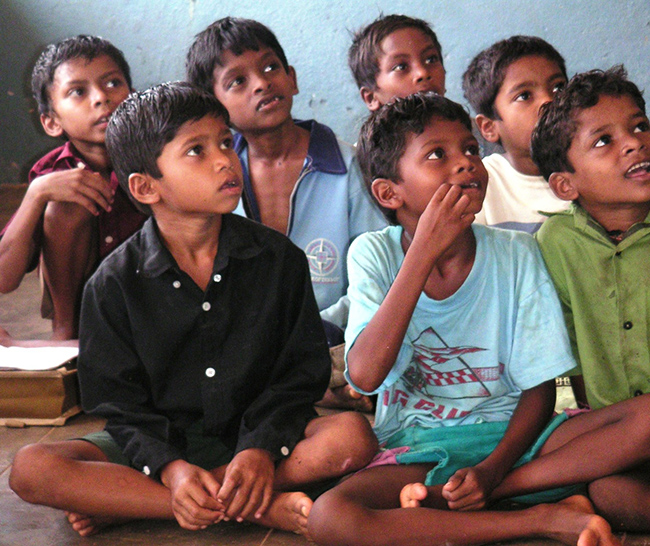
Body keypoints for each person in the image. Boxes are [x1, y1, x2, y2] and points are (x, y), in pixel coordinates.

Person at [306, 92, 650, 546]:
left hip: (526, 442)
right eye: (436, 155)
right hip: (424, 444)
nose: (465, 163)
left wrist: (494, 469)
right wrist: (422, 252)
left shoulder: (517, 253)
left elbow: (541, 389)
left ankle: (491, 496)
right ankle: (541, 518)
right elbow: (365, 375)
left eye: (470, 150)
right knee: (330, 517)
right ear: (389, 192)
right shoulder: (374, 254)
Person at [9, 82, 378, 538]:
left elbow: (298, 376)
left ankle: (144, 502)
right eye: (196, 151)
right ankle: (254, 505)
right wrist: (168, 467)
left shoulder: (279, 260)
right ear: (146, 187)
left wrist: (258, 449)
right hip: (160, 445)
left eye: (225, 142)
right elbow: (119, 406)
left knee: (352, 438)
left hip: (259, 435)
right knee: (32, 468)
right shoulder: (113, 284)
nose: (224, 159)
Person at [533, 65, 650, 534]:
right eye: (604, 140)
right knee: (608, 493)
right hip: (632, 436)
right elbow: (564, 357)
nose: (634, 142)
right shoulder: (554, 244)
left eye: (640, 126)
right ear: (566, 185)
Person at [186, 17, 387, 409]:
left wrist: (320, 327)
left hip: (339, 336)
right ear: (213, 106)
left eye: (269, 68)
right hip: (250, 341)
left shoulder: (350, 168)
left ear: (291, 78)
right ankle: (315, 393)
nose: (262, 83)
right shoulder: (214, 182)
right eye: (237, 81)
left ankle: (313, 389)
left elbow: (377, 277)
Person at [0, 35, 146, 343]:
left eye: (112, 84)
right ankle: (67, 331)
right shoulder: (53, 172)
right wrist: (37, 193)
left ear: (133, 96)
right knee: (67, 201)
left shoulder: (155, 156)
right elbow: (3, 278)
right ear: (52, 122)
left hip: (149, 301)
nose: (101, 98)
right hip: (84, 308)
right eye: (78, 91)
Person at [462, 36, 569, 234]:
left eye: (558, 88)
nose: (549, 101)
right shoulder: (480, 184)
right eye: (524, 96)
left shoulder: (596, 168)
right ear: (488, 127)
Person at [348, 14, 446, 112]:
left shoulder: (459, 123)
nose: (422, 73)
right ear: (371, 98)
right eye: (401, 67)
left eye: (431, 60)